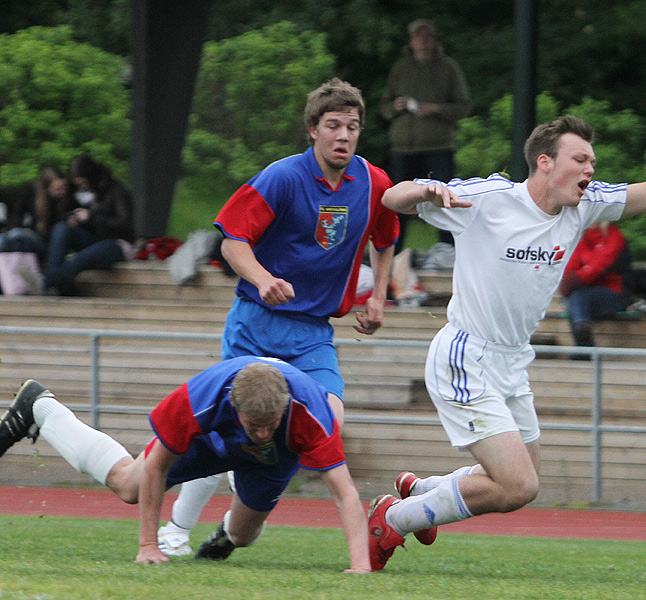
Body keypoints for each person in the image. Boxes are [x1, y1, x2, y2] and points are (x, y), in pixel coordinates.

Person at [367, 68, 646, 571]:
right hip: (466, 355)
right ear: (545, 163)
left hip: (512, 363)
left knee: (520, 486)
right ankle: (395, 520)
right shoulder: (491, 199)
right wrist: (429, 191)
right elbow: (391, 197)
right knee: (519, 484)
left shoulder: (582, 207)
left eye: (592, 161)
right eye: (580, 159)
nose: (589, 170)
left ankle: (423, 491)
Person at [155, 78, 399, 556]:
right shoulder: (282, 177)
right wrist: (263, 277)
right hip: (256, 321)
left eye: (352, 127)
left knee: (329, 418)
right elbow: (231, 241)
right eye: (333, 126)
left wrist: (377, 298)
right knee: (229, 425)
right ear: (313, 130)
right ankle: (176, 528)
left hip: (312, 332)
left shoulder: (373, 183)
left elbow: (386, 237)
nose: (343, 135)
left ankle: (232, 525)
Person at [0, 357, 371, 572]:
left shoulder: (311, 414)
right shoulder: (202, 396)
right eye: (253, 425)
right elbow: (158, 467)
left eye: (269, 425)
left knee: (243, 537)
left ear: (285, 407)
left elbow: (344, 492)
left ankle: (231, 512)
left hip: (273, 462)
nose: (260, 433)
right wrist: (148, 545)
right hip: (211, 442)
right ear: (233, 405)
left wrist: (360, 566)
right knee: (130, 485)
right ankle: (42, 408)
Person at [380, 18, 470, 302]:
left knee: (444, 201)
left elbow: (463, 106)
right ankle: (391, 257)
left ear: (433, 38)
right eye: (417, 34)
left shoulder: (448, 68)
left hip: (438, 145)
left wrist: (435, 109)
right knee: (398, 205)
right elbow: (383, 107)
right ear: (410, 40)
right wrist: (394, 107)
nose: (421, 38)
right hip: (404, 148)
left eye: (426, 34)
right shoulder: (401, 69)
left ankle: (449, 259)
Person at [23, 155, 135, 296]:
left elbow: (124, 225)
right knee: (62, 228)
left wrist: (92, 217)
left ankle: (47, 282)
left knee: (80, 259)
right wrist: (80, 222)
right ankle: (55, 284)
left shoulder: (117, 190)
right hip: (96, 239)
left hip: (117, 244)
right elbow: (94, 225)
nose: (80, 185)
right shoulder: (92, 192)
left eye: (82, 182)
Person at [559, 221, 632, 349]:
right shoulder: (583, 239)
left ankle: (583, 345)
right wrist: (571, 279)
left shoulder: (614, 237)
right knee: (576, 297)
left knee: (576, 297)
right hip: (584, 296)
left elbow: (598, 266)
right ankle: (582, 332)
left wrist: (576, 277)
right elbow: (570, 268)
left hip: (614, 293)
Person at [1, 166, 72, 257]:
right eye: (58, 189)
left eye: (64, 187)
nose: (62, 192)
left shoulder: (64, 201)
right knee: (4, 238)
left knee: (16, 234)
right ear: (47, 188)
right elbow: (18, 212)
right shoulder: (32, 191)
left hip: (47, 244)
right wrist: (21, 226)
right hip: (31, 235)